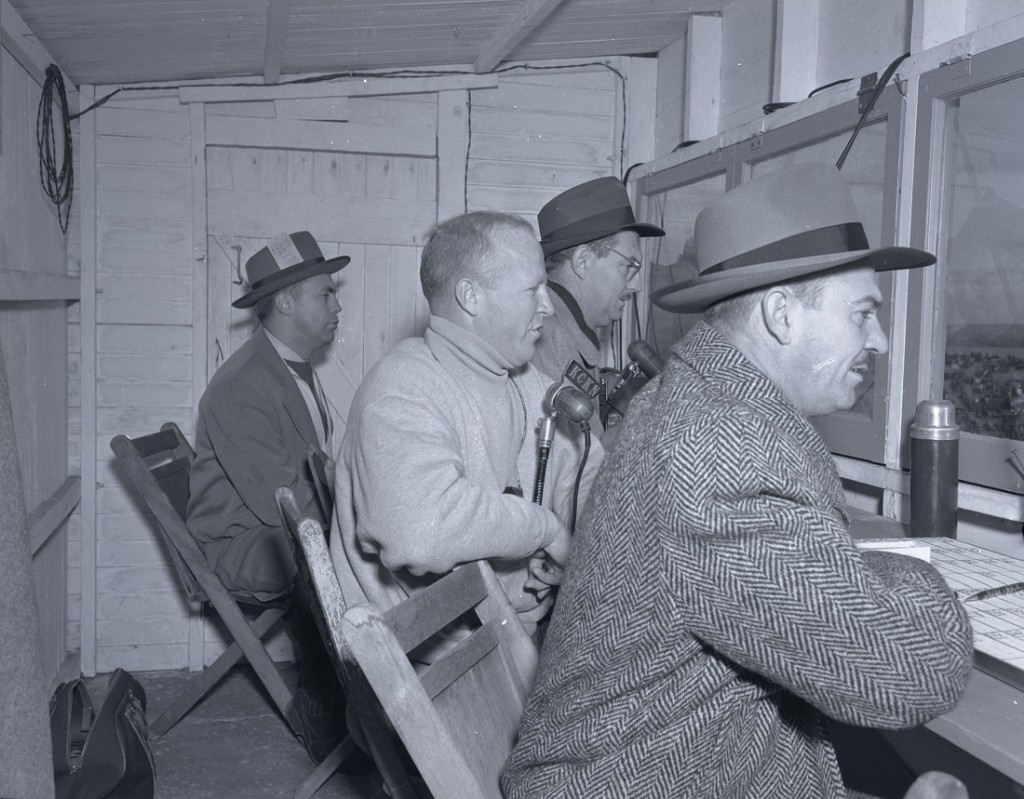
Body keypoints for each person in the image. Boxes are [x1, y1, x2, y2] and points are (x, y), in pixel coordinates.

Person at [502, 163, 975, 798]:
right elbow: (918, 672)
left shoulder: (696, 400)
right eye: (863, 313)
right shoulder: (723, 452)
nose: (882, 339)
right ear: (781, 314)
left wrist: (851, 573)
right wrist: (926, 576)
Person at [331, 211, 602, 644]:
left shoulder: (526, 383)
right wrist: (544, 530)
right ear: (471, 297)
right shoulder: (402, 388)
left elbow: (589, 484)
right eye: (533, 290)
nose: (548, 307)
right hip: (437, 666)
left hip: (501, 636)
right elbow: (418, 530)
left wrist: (562, 553)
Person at [187, 230, 357, 766]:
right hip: (243, 544)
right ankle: (325, 706)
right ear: (285, 301)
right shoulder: (242, 385)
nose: (337, 305)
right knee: (325, 552)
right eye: (325, 294)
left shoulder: (288, 369)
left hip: (280, 527)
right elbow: (280, 506)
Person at [534, 177, 665, 438]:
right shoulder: (546, 338)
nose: (637, 285)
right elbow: (577, 464)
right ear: (583, 261)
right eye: (629, 266)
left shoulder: (568, 330)